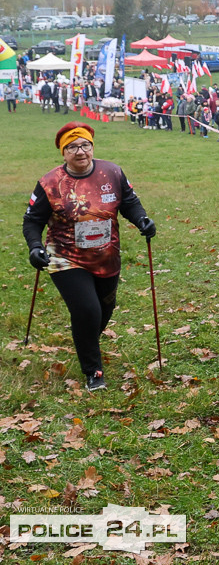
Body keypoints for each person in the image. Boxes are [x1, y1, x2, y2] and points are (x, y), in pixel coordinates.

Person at [22, 122, 156, 391]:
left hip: (106, 255)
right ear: (63, 152)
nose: (80, 151)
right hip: (65, 257)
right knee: (87, 310)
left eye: (85, 145)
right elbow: (32, 220)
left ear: (92, 147)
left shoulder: (112, 172)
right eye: (72, 147)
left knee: (103, 311)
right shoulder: (50, 183)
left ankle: (85, 340)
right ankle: (93, 370)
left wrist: (142, 219)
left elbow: (129, 202)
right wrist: (35, 246)